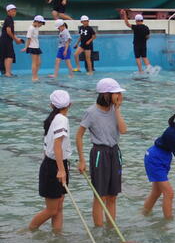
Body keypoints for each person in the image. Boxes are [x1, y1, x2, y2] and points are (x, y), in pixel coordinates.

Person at [76, 78, 127, 227]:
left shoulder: (114, 110)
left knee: (112, 196)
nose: (119, 96)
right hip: (100, 153)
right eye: (116, 93)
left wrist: (117, 109)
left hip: (115, 152)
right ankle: (98, 230)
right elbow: (79, 136)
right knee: (100, 196)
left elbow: (123, 130)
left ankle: (111, 228)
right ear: (106, 94)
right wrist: (82, 160)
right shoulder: (91, 112)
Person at [29, 90, 72, 231]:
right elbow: (57, 145)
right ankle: (29, 230)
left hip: (55, 163)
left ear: (51, 105)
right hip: (55, 165)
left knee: (58, 207)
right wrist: (61, 170)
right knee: (52, 210)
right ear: (70, 104)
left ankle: (57, 236)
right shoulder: (61, 119)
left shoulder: (54, 118)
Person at [1, 4, 23, 77]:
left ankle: (7, 72)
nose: (14, 12)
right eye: (12, 11)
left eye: (15, 11)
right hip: (6, 40)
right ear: (8, 12)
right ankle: (8, 73)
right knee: (9, 56)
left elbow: (10, 32)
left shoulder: (9, 19)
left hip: (5, 40)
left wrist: (16, 39)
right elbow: (8, 31)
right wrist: (16, 39)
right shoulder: (9, 19)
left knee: (7, 55)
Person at [22, 15, 45, 82]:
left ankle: (35, 75)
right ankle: (34, 77)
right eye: (41, 23)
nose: (41, 25)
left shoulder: (36, 27)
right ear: (37, 22)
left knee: (39, 62)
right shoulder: (31, 28)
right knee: (34, 62)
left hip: (37, 46)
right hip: (32, 47)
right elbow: (28, 39)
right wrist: (26, 47)